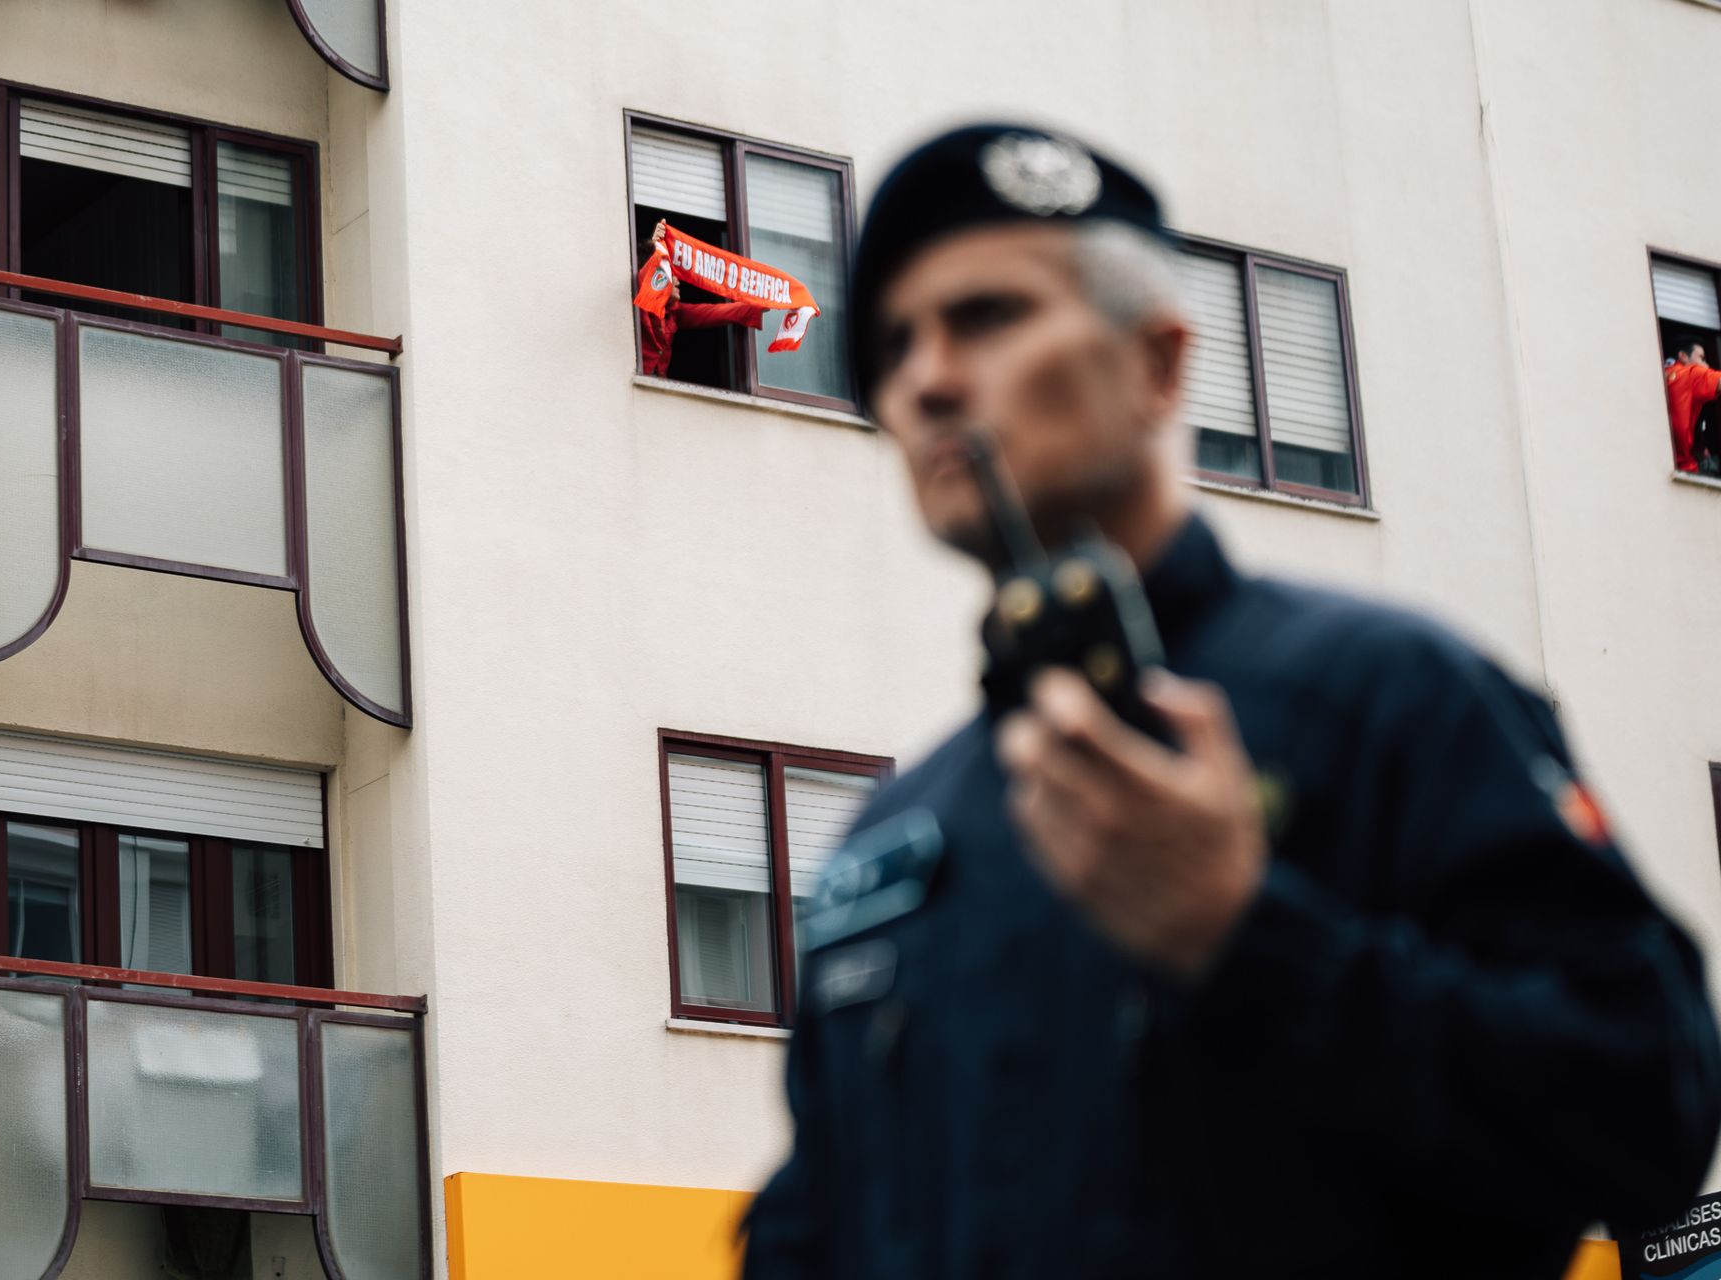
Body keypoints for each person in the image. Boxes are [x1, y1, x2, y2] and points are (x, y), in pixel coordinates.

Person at [743, 123, 1721, 1279]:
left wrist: (1247, 934)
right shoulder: (891, 838)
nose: (927, 378)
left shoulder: (1389, 696)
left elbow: (1646, 1104)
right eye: (894, 345)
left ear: (1158, 363)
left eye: (988, 316)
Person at [636, 219, 766, 378]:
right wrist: (657, 247)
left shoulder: (674, 312)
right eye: (671, 273)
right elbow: (643, 279)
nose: (677, 280)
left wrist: (758, 304)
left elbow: (714, 313)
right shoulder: (639, 298)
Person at [1666, 338, 1720, 473]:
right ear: (1683, 356)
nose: (1706, 366)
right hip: (1685, 467)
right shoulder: (1689, 375)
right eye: (1701, 358)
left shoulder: (1666, 375)